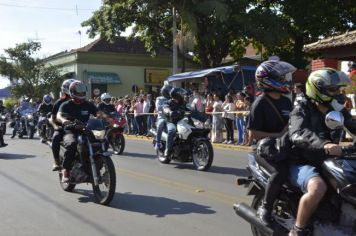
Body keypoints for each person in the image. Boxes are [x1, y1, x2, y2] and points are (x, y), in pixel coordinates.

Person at [288, 68, 356, 236]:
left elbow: (351, 125)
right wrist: (324, 144)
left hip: (328, 159)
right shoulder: (301, 107)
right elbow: (297, 133)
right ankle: (298, 230)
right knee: (318, 187)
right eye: (333, 89)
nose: (337, 93)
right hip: (301, 160)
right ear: (318, 89)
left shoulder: (336, 107)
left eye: (339, 89)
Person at [246, 60, 296, 225]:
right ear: (269, 80)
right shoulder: (259, 103)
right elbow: (252, 134)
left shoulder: (287, 101)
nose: (285, 80)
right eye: (281, 77)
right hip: (264, 150)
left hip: (285, 147)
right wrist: (277, 135)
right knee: (279, 172)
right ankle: (265, 208)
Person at [57, 80, 102, 182]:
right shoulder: (66, 104)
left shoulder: (88, 104)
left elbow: (98, 113)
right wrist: (65, 121)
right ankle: (66, 171)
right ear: (72, 92)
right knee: (72, 144)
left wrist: (107, 118)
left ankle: (97, 166)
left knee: (99, 142)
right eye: (79, 92)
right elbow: (59, 115)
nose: (81, 94)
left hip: (85, 130)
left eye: (82, 91)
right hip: (70, 131)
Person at [50, 79, 75, 171]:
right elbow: (53, 118)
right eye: (71, 88)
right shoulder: (59, 102)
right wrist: (57, 126)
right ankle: (56, 161)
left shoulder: (80, 101)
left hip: (78, 126)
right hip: (63, 127)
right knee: (56, 137)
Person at [163, 87, 189, 157]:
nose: (183, 96)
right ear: (176, 94)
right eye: (181, 94)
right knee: (172, 130)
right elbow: (165, 108)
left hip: (182, 122)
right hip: (171, 122)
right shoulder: (168, 102)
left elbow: (190, 109)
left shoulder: (183, 103)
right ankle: (168, 149)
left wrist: (202, 117)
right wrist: (169, 112)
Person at [154, 84, 172, 150]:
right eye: (168, 91)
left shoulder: (172, 98)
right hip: (162, 117)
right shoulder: (159, 98)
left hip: (171, 117)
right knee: (161, 123)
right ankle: (158, 142)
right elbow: (158, 107)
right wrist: (166, 106)